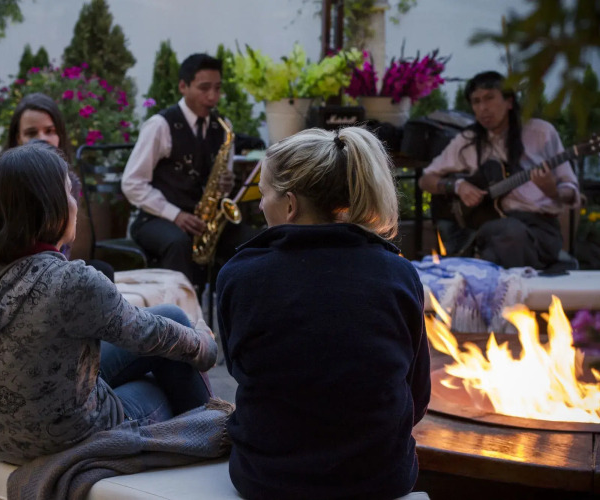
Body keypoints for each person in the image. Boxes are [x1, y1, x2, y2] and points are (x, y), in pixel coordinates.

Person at [0, 142, 217, 465]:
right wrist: (205, 346)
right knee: (164, 375)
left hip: (0, 439)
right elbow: (149, 335)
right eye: (68, 192)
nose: (75, 202)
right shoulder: (71, 282)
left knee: (171, 317)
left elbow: (148, 328)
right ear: (49, 206)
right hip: (69, 439)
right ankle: (213, 442)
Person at [216, 127, 431, 499]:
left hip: (268, 480)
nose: (260, 205)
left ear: (290, 204)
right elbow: (418, 395)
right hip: (380, 480)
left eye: (264, 194)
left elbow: (242, 371)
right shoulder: (398, 273)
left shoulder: (240, 275)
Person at [122, 53, 257, 291]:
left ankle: (237, 308)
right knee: (178, 243)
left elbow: (220, 184)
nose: (212, 97)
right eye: (204, 88)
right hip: (156, 218)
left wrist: (226, 185)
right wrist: (175, 215)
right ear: (183, 87)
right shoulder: (160, 125)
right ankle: (178, 312)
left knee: (251, 241)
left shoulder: (223, 127)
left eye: (217, 88)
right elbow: (132, 183)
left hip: (203, 221)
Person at [418, 71, 580, 269]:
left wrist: (552, 191)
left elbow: (570, 189)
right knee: (506, 233)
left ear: (509, 102)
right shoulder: (469, 141)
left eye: (489, 98)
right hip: (494, 228)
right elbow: (426, 180)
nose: (483, 108)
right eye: (476, 101)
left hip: (540, 230)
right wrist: (458, 186)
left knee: (503, 242)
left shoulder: (541, 133)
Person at [0, 93, 113, 276]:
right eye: (31, 133)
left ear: (60, 135)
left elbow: (65, 245)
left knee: (102, 270)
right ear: (18, 138)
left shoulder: (70, 181)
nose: (42, 138)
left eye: (50, 131)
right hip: (3, 273)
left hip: (51, 270)